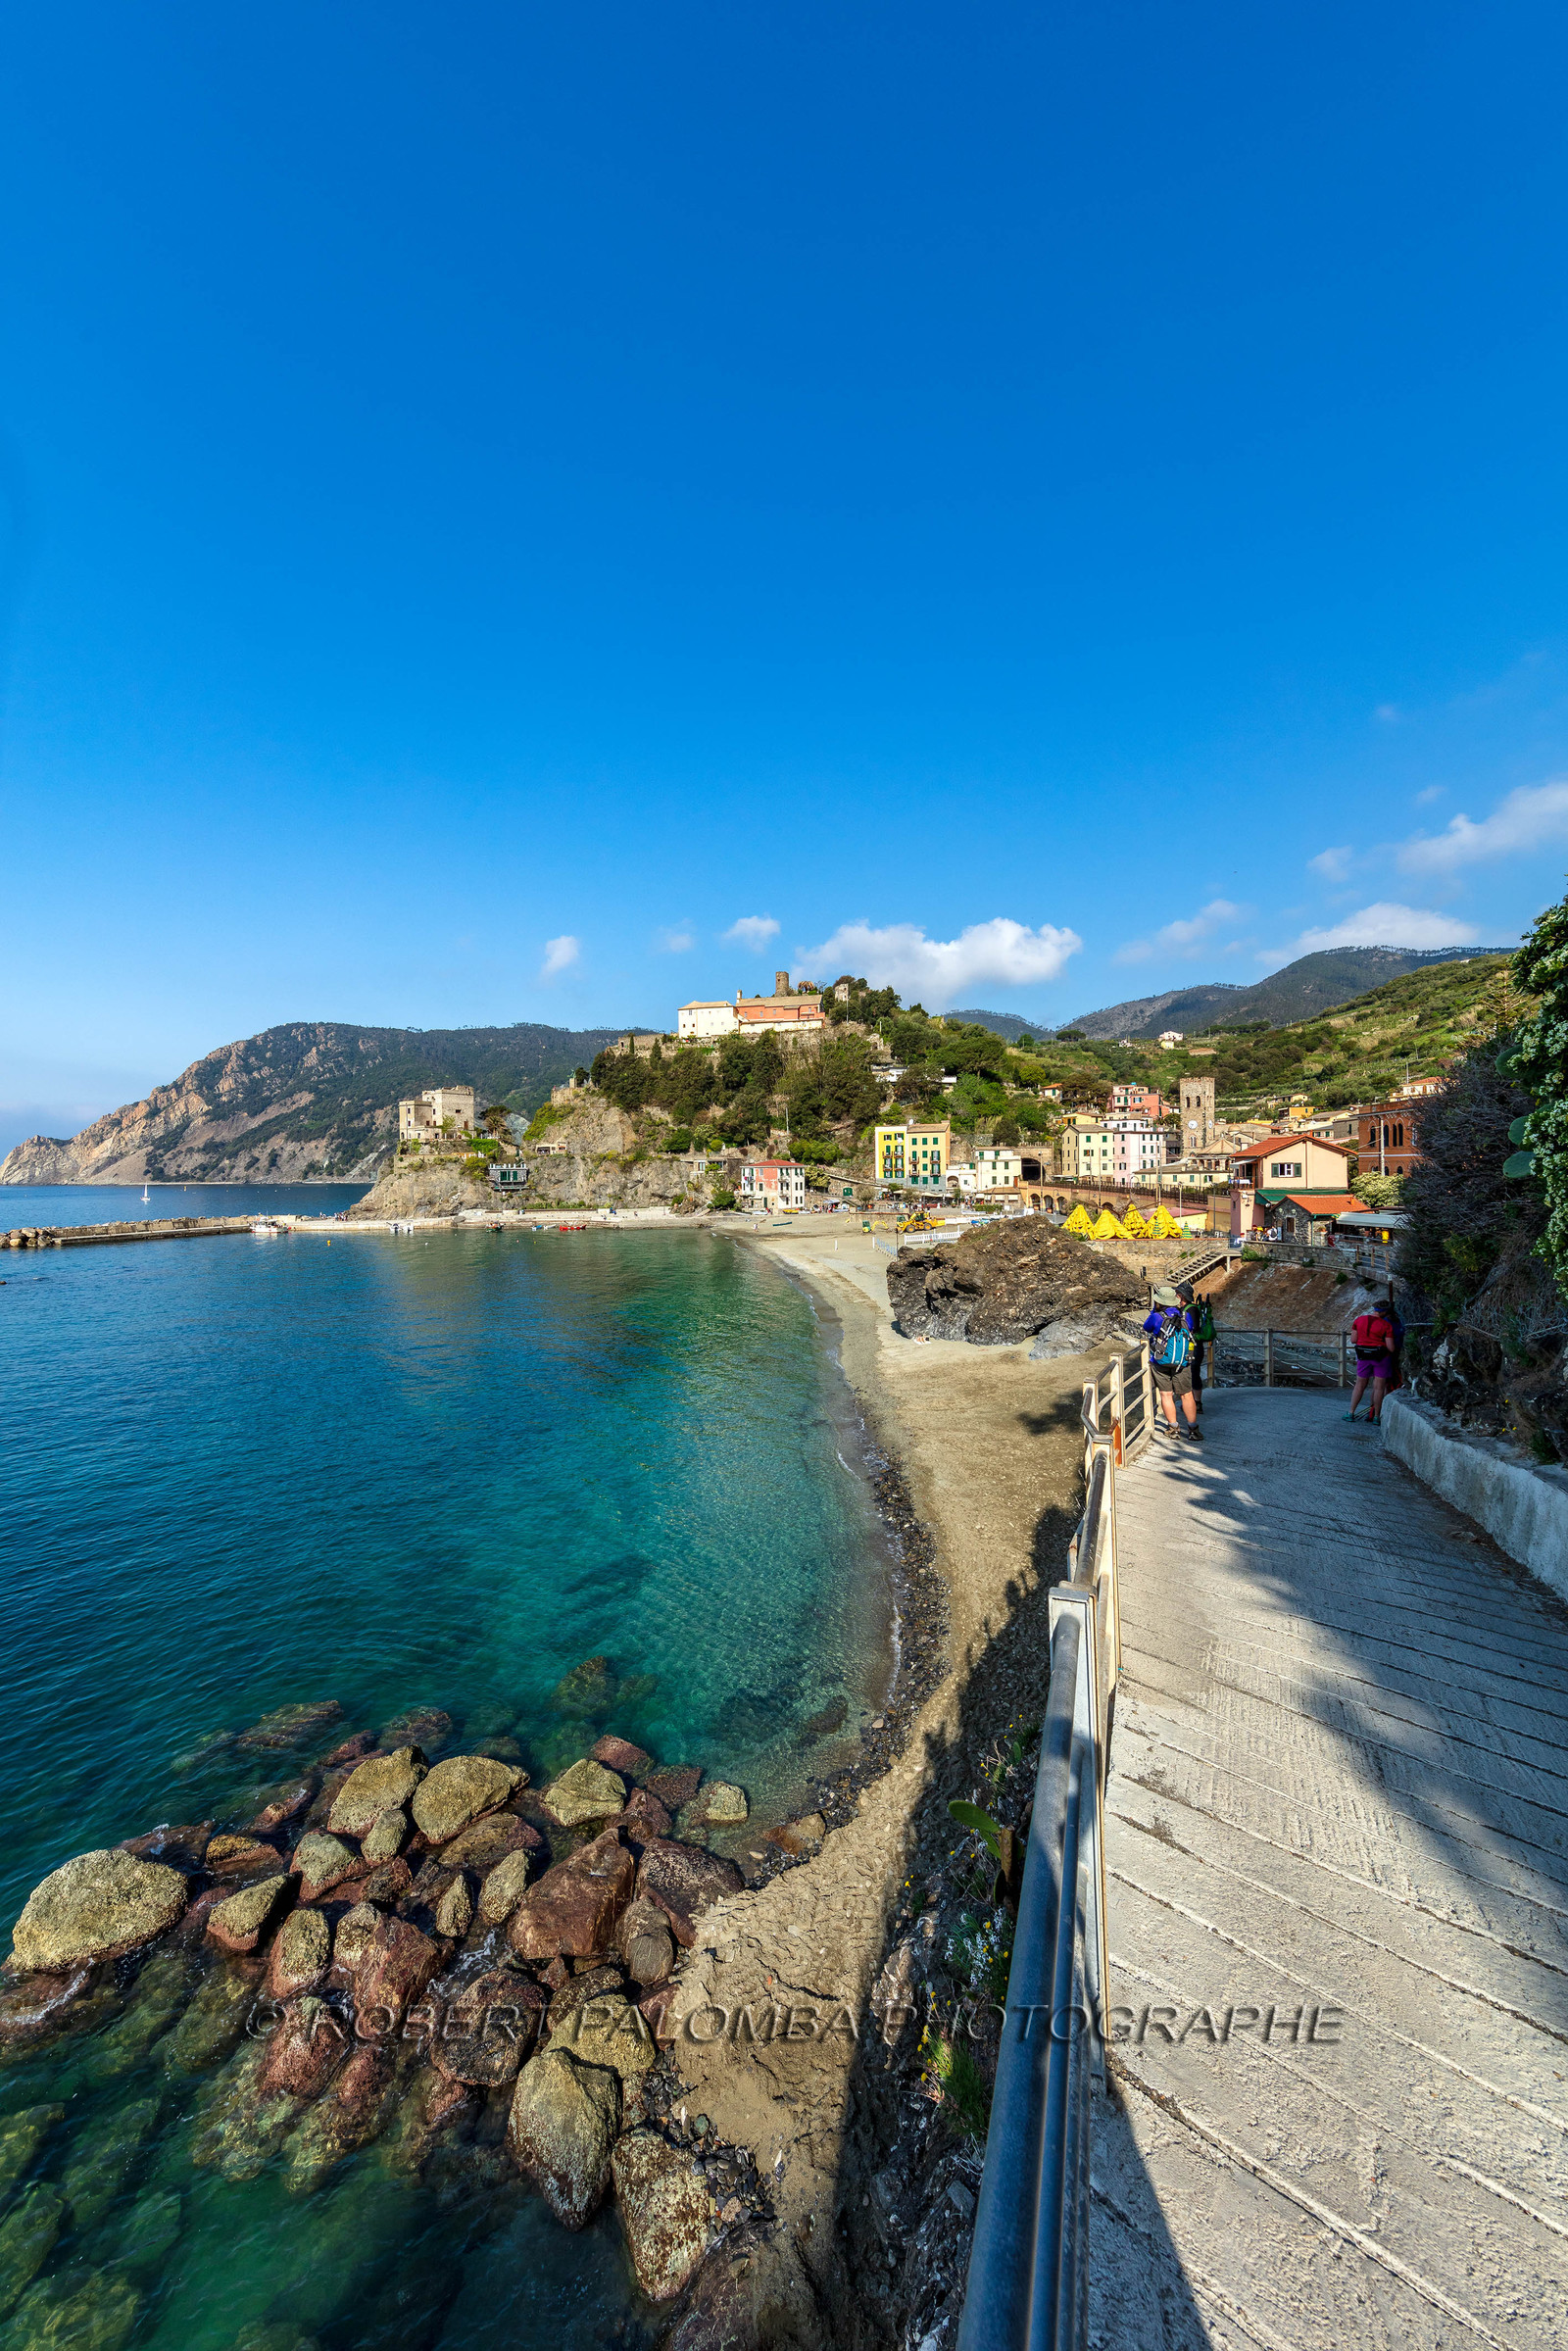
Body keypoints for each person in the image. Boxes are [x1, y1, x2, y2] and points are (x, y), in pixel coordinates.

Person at [1144, 1284, 1202, 1443]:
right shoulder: (1185, 1316)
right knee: (1186, 1394)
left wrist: (1153, 1312)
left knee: (1166, 1394)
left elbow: (1147, 1327)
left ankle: (1174, 1428)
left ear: (1160, 1301)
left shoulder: (1157, 1316)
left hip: (1161, 1360)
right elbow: (1190, 1329)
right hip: (1182, 1361)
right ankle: (1193, 1430)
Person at [1347, 1297, 1396, 1424]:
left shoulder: (1359, 1320)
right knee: (1379, 1387)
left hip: (1363, 1357)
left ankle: (1351, 1413)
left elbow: (1353, 1340)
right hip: (1381, 1358)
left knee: (1359, 1385)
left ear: (1374, 1309)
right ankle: (1376, 1416)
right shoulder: (1386, 1325)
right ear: (1384, 1312)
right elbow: (1391, 1348)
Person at [1176, 1280, 1216, 1416]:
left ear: (1181, 1296)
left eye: (1177, 1294)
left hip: (1191, 1347)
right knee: (1195, 1374)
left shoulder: (1189, 1310)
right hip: (1197, 1346)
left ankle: (1192, 1404)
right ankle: (1197, 1403)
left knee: (1189, 1374)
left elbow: (1190, 1328)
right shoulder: (1194, 1308)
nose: (1176, 1296)